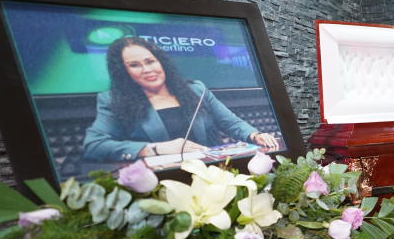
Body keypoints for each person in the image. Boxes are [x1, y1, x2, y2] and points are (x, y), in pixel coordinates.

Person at [82, 37, 279, 162]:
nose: (147, 69)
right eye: (134, 65)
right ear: (124, 72)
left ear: (160, 61)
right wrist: (156, 149)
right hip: (161, 185)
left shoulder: (196, 89)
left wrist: (254, 135)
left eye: (150, 61)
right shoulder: (112, 100)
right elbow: (94, 146)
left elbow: (231, 123)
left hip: (213, 174)